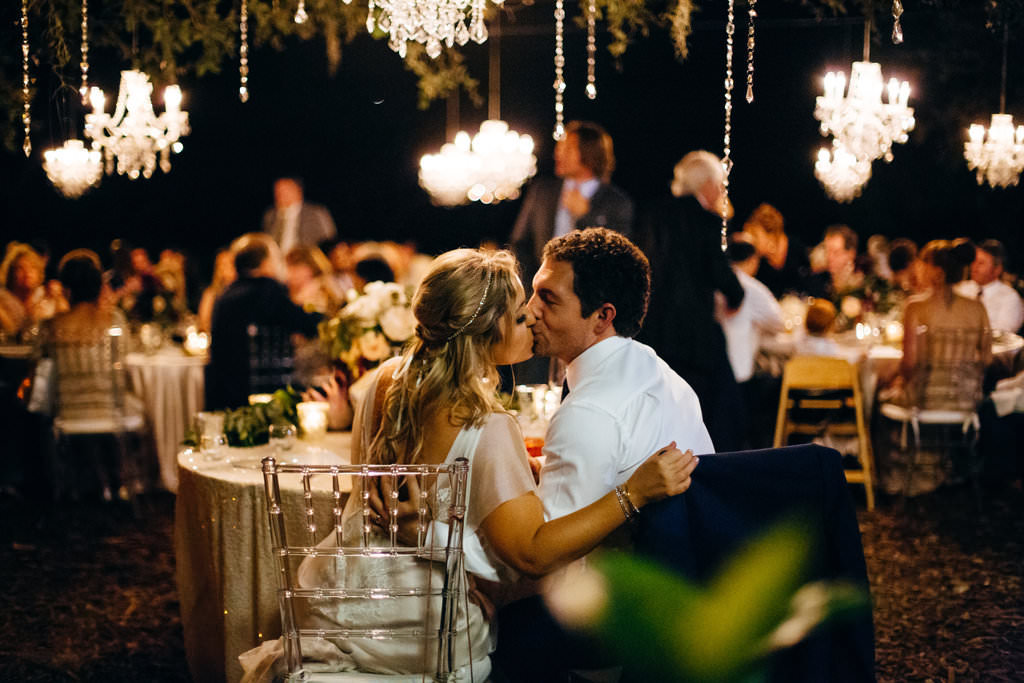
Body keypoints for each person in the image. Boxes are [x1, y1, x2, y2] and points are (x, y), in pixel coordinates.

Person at [238, 247, 697, 681]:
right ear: (487, 333)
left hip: (340, 603)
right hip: (426, 631)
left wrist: (445, 547)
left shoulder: (382, 383)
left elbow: (384, 489)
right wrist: (632, 493)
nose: (532, 317)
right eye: (520, 315)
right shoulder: (487, 424)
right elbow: (531, 554)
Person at [638, 150, 745, 452]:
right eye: (720, 185)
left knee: (663, 412)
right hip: (695, 338)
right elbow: (721, 275)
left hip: (653, 333)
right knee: (706, 412)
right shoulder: (706, 222)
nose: (722, 192)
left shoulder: (653, 215)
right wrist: (736, 296)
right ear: (708, 185)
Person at [510, 120, 634, 288]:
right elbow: (520, 242)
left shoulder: (617, 201)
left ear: (589, 152)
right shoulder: (542, 190)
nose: (558, 153)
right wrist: (532, 285)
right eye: (559, 147)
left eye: (567, 148)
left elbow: (616, 256)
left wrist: (586, 217)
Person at [206, 233, 322, 410]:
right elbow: (308, 325)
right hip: (261, 397)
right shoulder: (268, 290)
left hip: (226, 395)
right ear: (265, 263)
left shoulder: (226, 295)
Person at [719, 240, 784, 448]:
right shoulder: (751, 287)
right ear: (752, 260)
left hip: (715, 365)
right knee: (742, 430)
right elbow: (778, 321)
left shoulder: (715, 282)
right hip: (740, 369)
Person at [742, 203, 811, 297]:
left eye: (755, 235)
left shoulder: (797, 249)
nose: (751, 241)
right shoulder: (757, 261)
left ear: (771, 235)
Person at [261, 177, 337, 253]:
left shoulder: (316, 213)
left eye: (285, 190)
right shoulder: (271, 215)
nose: (280, 194)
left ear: (298, 191)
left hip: (305, 259)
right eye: (277, 191)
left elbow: (329, 239)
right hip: (277, 260)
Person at [967, 239, 1024, 334]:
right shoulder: (961, 288)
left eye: (981, 263)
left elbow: (1003, 334)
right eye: (974, 261)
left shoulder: (1010, 298)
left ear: (997, 269)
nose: (974, 267)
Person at [284, 245, 343, 313]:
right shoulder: (292, 294)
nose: (289, 274)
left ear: (308, 270)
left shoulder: (320, 288)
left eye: (293, 267)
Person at [197, 248, 236, 333]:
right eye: (220, 265)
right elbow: (203, 324)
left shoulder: (242, 293)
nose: (222, 269)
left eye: (227, 264)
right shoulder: (211, 293)